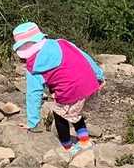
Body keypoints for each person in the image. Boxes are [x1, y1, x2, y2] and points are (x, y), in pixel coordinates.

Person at [12, 21, 105, 154]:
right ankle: (85, 141)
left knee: (60, 114)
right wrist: (99, 75)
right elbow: (85, 56)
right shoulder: (62, 43)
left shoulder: (33, 67)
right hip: (90, 83)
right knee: (75, 111)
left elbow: (33, 94)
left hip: (71, 91)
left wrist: (33, 122)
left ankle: (68, 147)